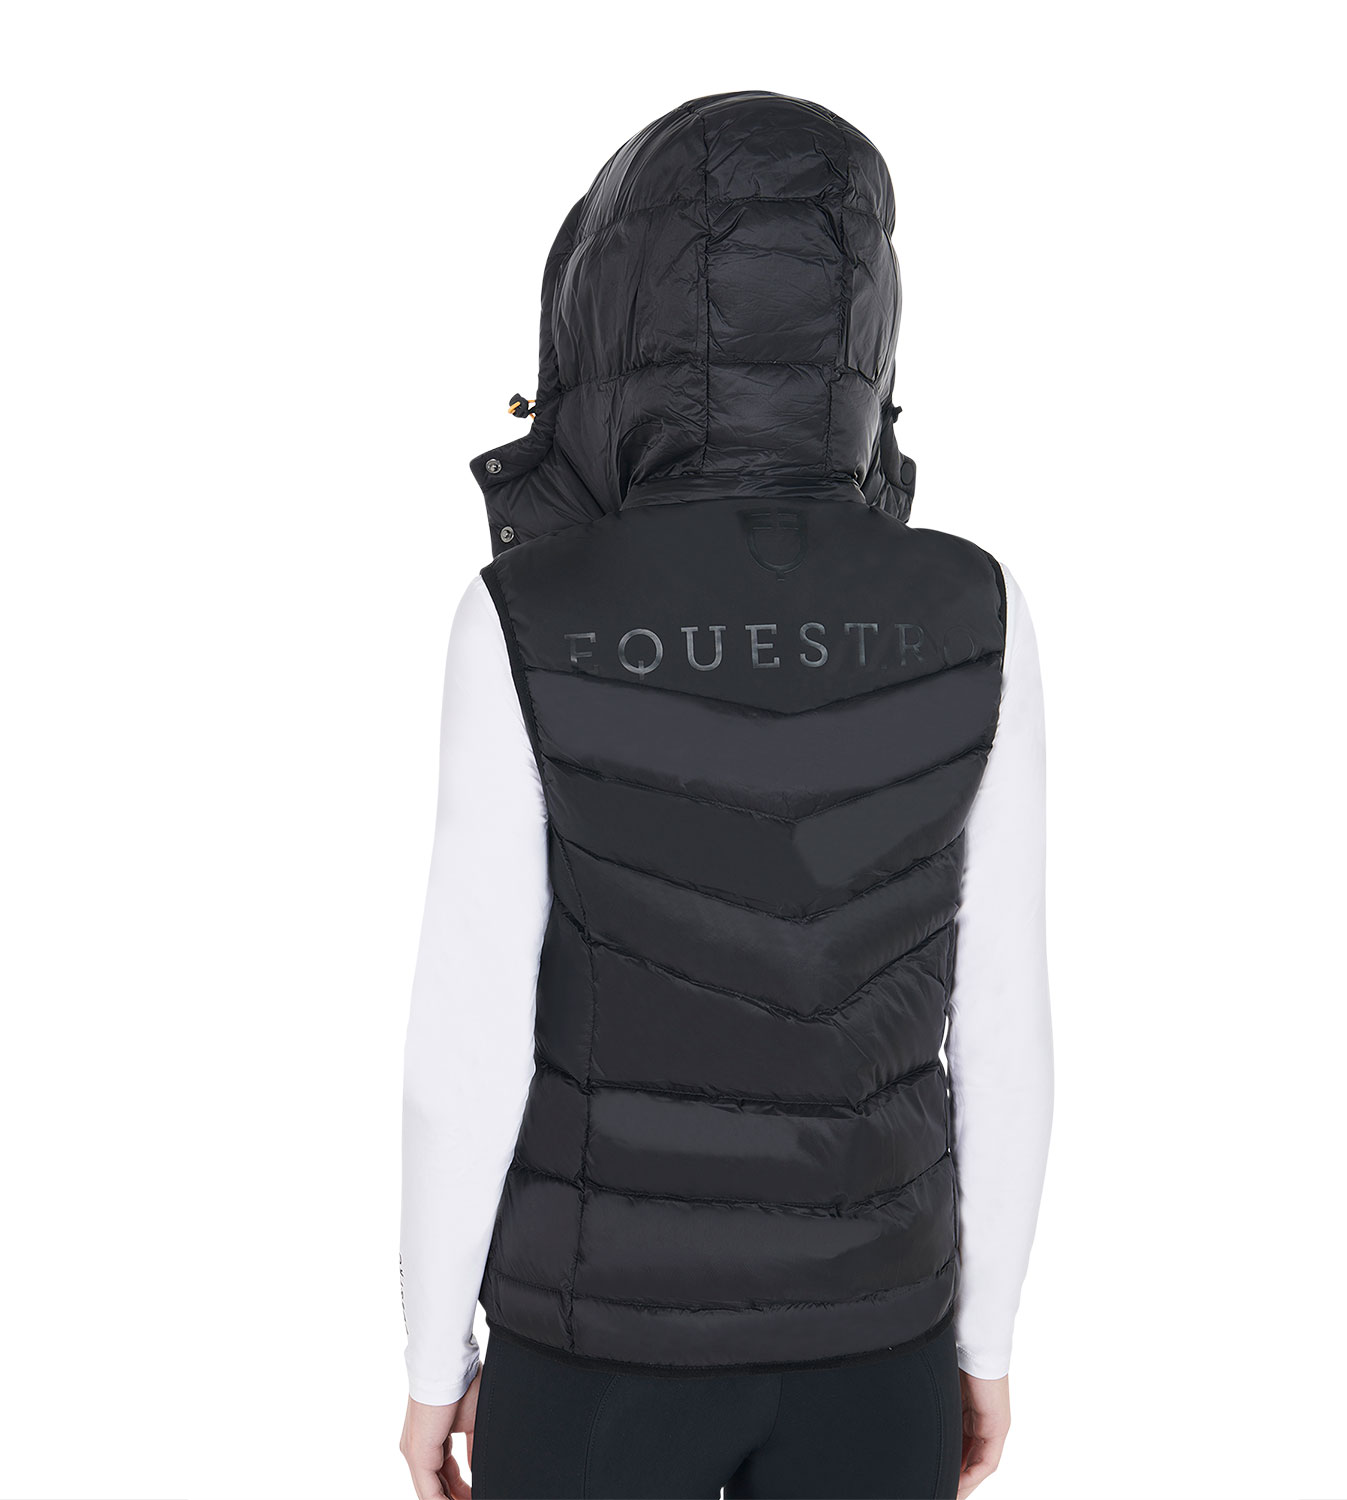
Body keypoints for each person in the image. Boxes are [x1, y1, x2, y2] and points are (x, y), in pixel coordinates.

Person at [399, 91, 1052, 1500]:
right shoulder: (972, 606)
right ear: (861, 322)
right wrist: (985, 1340)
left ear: (604, 313)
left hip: (598, 1346)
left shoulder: (524, 614)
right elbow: (1003, 1017)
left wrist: (433, 1360)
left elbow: (467, 1036)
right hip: (876, 1337)